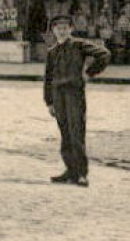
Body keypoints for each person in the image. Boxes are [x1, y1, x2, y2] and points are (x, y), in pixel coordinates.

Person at [42, 14, 111, 187]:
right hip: (58, 95)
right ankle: (69, 170)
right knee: (65, 132)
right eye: (58, 29)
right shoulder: (52, 52)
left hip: (74, 93)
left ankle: (81, 174)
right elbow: (48, 78)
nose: (62, 31)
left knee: (76, 132)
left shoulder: (79, 45)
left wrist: (89, 73)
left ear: (71, 29)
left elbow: (104, 54)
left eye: (65, 28)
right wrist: (49, 101)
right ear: (53, 31)